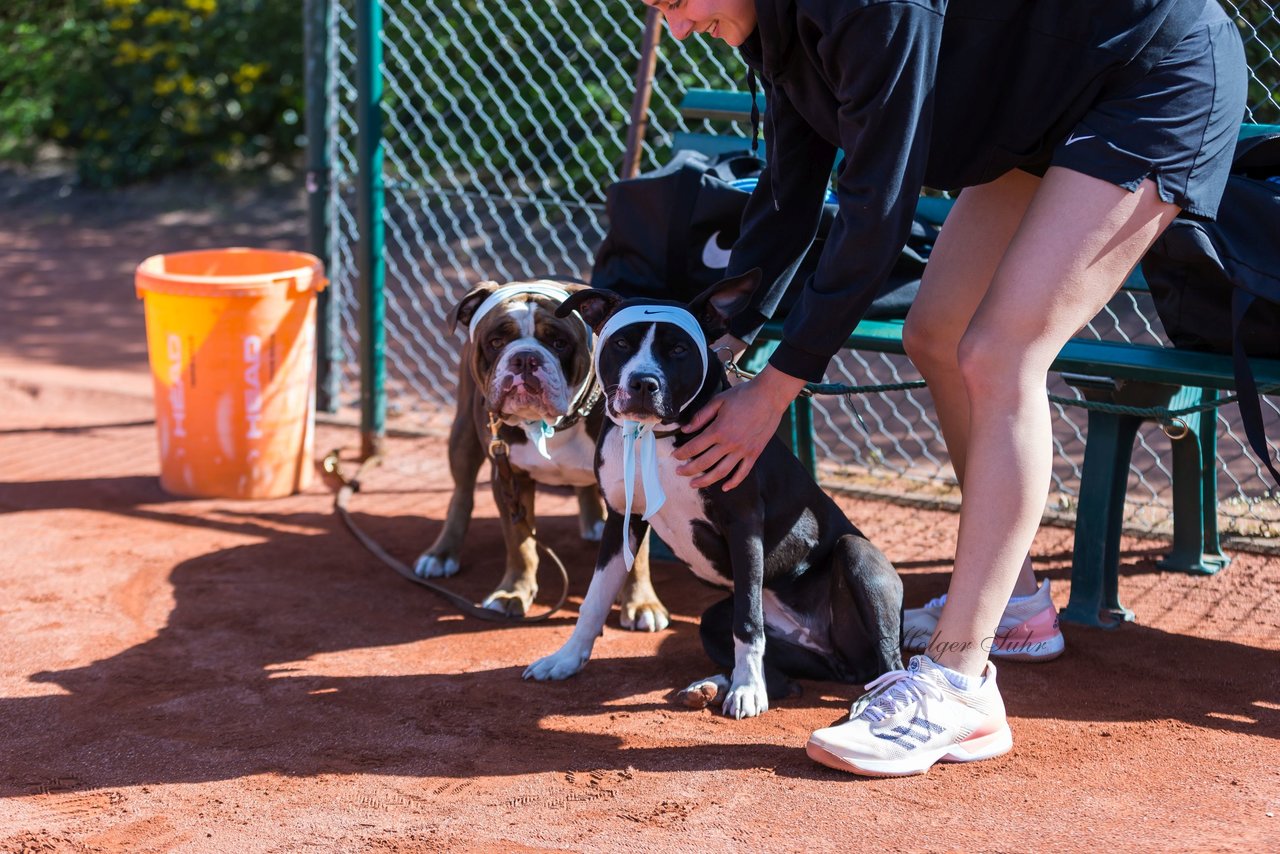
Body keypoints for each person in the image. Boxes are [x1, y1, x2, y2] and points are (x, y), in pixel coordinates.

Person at [640, 0, 1247, 776]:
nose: (680, 28)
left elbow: (877, 209)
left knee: (999, 353)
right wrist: (722, 339)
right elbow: (790, 195)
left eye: (677, 3)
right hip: (1055, 98)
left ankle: (962, 685)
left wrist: (772, 391)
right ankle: (1017, 607)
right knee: (937, 331)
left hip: (1152, 75)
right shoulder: (778, 26)